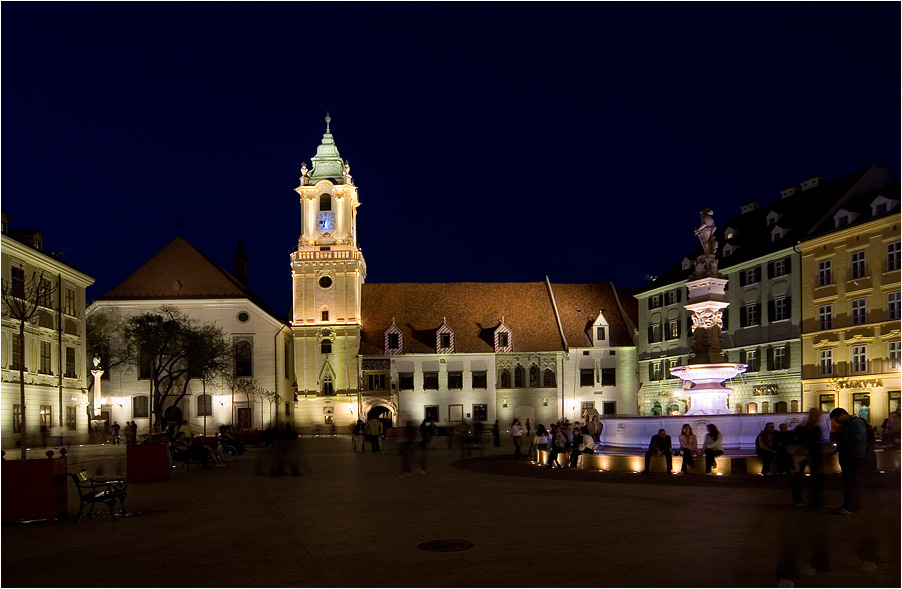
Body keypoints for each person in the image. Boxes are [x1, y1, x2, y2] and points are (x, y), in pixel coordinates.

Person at [829, 407, 867, 514]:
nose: (837, 422)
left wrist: (841, 436)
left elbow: (856, 437)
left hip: (853, 456)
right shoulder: (851, 423)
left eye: (837, 419)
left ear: (842, 415)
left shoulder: (855, 423)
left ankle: (848, 506)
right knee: (852, 481)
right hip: (852, 455)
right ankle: (854, 505)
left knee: (851, 481)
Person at [790, 408, 825, 509]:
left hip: (811, 454)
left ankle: (813, 500)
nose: (818, 418)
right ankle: (804, 500)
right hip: (803, 454)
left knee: (814, 477)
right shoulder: (804, 428)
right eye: (817, 416)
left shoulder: (812, 428)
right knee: (799, 477)